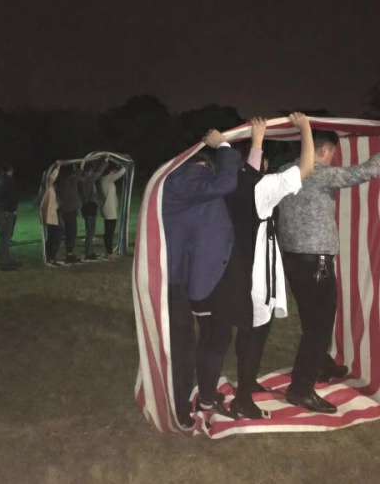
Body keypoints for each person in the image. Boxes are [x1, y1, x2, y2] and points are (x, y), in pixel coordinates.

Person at [192, 113, 314, 420]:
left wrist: (244, 145)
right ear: (261, 163)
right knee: (253, 336)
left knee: (229, 336)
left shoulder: (226, 186)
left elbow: (244, 174)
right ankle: (243, 398)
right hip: (254, 276)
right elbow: (306, 167)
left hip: (228, 273)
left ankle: (222, 392)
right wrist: (305, 129)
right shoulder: (262, 187)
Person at [278, 129, 380, 413]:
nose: (334, 157)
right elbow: (364, 172)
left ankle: (321, 364)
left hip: (293, 259)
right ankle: (300, 389)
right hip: (316, 261)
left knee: (311, 318)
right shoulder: (318, 173)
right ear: (324, 150)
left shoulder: (285, 171)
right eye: (333, 152)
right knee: (320, 325)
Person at [163, 129, 241, 426]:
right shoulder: (186, 177)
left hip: (184, 275)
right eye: (207, 167)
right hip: (178, 278)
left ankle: (196, 397)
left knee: (197, 340)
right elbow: (225, 182)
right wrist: (224, 146)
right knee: (182, 347)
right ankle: (180, 409)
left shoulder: (185, 182)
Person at [0, 163, 21, 271]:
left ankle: (7, 259)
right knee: (5, 239)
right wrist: (13, 210)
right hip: (6, 213)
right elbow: (13, 197)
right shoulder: (9, 181)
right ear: (10, 170)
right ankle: (4, 263)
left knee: (3, 238)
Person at [79, 158, 109, 260]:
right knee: (90, 232)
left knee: (90, 232)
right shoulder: (87, 180)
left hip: (88, 207)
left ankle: (90, 252)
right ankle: (88, 253)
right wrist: (105, 162)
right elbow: (99, 172)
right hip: (89, 207)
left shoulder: (83, 179)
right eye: (91, 171)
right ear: (88, 171)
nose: (92, 173)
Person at [98, 163, 126, 260]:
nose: (115, 172)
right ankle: (109, 252)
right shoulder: (107, 179)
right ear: (110, 171)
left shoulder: (106, 179)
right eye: (114, 171)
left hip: (109, 209)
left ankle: (108, 251)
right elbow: (121, 173)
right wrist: (125, 166)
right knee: (109, 232)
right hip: (109, 210)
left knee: (109, 231)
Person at [40, 162, 64, 267]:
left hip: (51, 216)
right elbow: (52, 177)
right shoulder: (48, 186)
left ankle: (50, 257)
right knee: (55, 237)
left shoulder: (49, 188)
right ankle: (51, 257)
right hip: (50, 217)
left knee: (52, 237)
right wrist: (58, 167)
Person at [57, 164, 82, 264]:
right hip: (69, 211)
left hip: (66, 210)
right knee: (71, 232)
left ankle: (69, 253)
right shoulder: (69, 181)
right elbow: (78, 174)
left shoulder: (61, 181)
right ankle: (69, 254)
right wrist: (80, 167)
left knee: (69, 232)